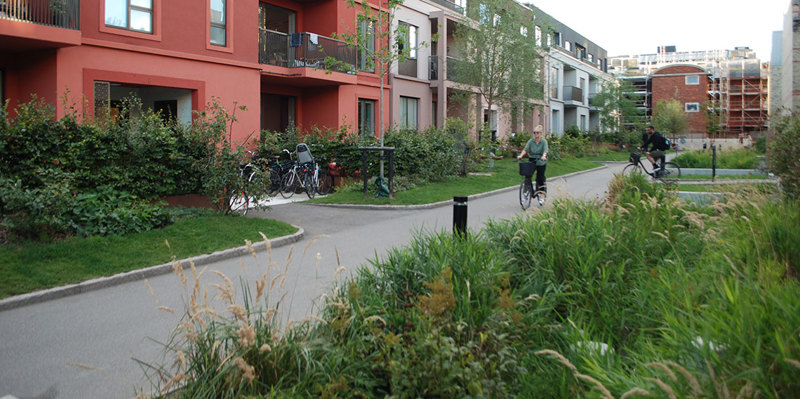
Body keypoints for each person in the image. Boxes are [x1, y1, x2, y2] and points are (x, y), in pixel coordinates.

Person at [517, 125, 548, 205]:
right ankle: (526, 194)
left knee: (540, 177)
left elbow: (545, 150)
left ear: (540, 133)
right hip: (532, 159)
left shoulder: (544, 141)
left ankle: (542, 195)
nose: (535, 134)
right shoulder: (531, 141)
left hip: (541, 160)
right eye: (534, 133)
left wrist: (544, 156)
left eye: (537, 133)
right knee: (527, 176)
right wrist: (521, 155)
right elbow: (526, 149)